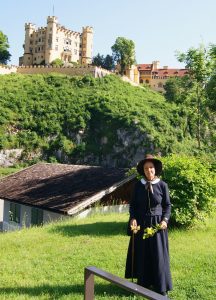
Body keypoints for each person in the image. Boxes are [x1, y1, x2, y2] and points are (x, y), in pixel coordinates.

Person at [125, 154, 172, 296]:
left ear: (155, 169)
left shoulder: (163, 185)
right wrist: (133, 218)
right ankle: (143, 283)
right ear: (143, 170)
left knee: (158, 255)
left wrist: (165, 220)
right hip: (141, 224)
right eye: (146, 168)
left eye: (151, 167)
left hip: (158, 225)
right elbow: (132, 205)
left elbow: (168, 206)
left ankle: (161, 286)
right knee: (143, 253)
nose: (149, 170)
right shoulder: (138, 186)